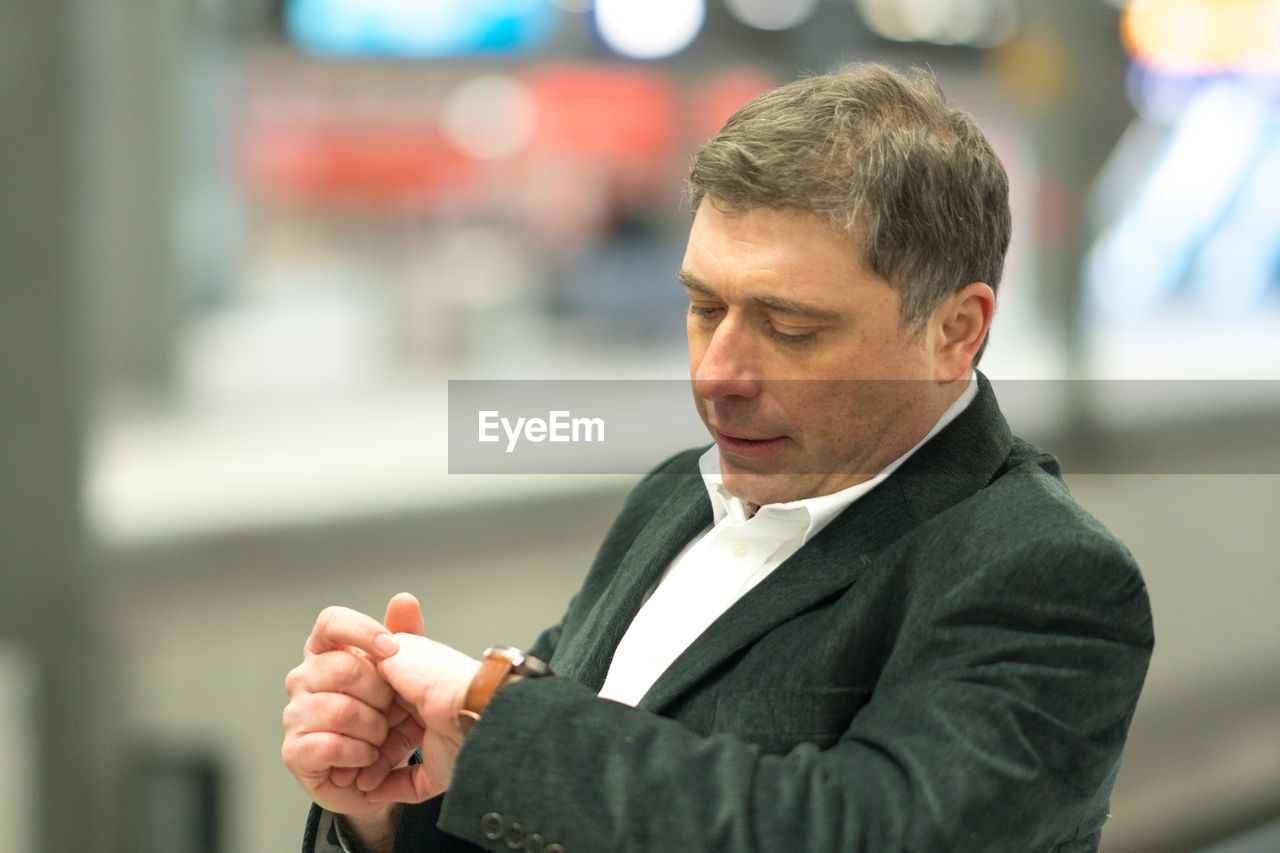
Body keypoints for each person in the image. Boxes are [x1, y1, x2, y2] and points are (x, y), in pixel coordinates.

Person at [282, 64, 1153, 853]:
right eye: (704, 308)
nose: (718, 373)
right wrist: (390, 803)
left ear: (954, 332)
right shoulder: (675, 496)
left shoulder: (1042, 573)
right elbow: (558, 810)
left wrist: (491, 720)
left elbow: (867, 828)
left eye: (791, 327)